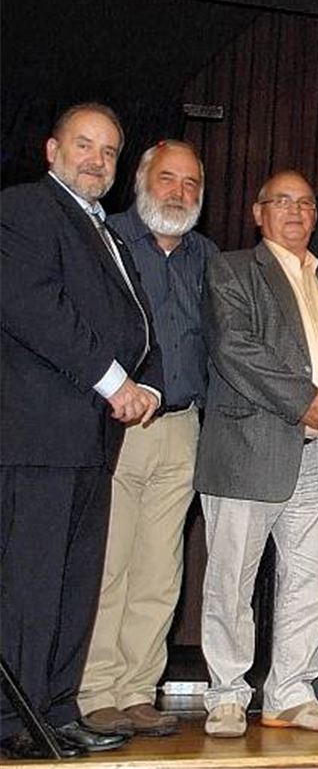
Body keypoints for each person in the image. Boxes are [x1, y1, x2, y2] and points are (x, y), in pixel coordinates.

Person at [0, 103, 162, 760]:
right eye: (84, 145)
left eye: (109, 151)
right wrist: (113, 380)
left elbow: (128, 322)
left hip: (90, 439)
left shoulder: (106, 232)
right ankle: (14, 719)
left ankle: (56, 710)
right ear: (51, 149)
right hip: (39, 436)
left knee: (73, 584)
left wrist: (142, 380)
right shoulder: (25, 209)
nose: (97, 160)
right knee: (30, 584)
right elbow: (36, 307)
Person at [195, 170, 318, 738]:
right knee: (231, 581)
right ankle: (225, 695)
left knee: (313, 579)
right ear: (257, 212)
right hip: (250, 447)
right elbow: (234, 347)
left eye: (306, 204)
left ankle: (291, 691)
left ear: (317, 215)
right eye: (282, 202)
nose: (295, 212)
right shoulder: (232, 269)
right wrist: (304, 403)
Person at [77, 140, 217, 739]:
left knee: (161, 570)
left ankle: (137, 690)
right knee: (108, 563)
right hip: (117, 427)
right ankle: (93, 691)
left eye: (190, 184)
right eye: (168, 179)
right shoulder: (106, 240)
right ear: (141, 180)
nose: (179, 193)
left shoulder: (207, 257)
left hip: (183, 429)